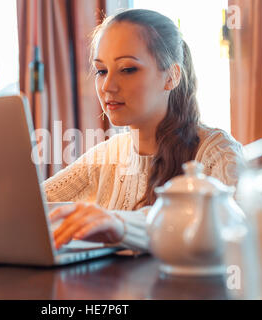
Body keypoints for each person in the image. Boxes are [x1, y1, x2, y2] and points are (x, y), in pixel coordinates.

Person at [43, 9, 245, 253]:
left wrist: (121, 224)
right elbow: (33, 205)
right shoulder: (106, 156)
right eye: (101, 70)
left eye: (127, 69)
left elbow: (227, 229)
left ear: (171, 76)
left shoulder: (218, 152)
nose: (107, 86)